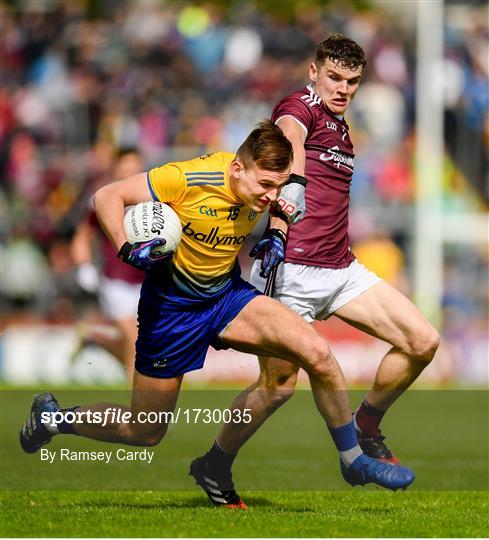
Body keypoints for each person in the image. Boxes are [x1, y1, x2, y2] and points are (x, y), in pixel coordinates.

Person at [19, 121, 414, 508]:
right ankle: (54, 419)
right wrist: (125, 249)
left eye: (277, 186)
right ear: (237, 168)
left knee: (317, 354)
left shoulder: (265, 186)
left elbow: (282, 202)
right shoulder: (188, 177)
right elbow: (106, 196)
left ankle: (352, 460)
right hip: (170, 310)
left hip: (225, 297)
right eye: (264, 185)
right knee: (145, 430)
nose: (270, 196)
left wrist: (276, 233)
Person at [193, 34, 439, 506]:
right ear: (314, 72)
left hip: (341, 268)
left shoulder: (345, 129)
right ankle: (215, 463)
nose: (343, 88)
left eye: (352, 81)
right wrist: (297, 185)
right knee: (278, 387)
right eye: (334, 77)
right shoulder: (299, 106)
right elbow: (290, 135)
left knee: (422, 340)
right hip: (290, 273)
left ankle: (365, 426)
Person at [71, 148, 145, 380]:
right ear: (116, 167)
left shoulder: (151, 199)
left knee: (134, 343)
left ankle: (95, 339)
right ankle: (139, 409)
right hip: (115, 280)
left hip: (146, 280)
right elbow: (82, 236)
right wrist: (84, 266)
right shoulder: (102, 199)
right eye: (125, 165)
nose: (130, 170)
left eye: (134, 165)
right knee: (136, 342)